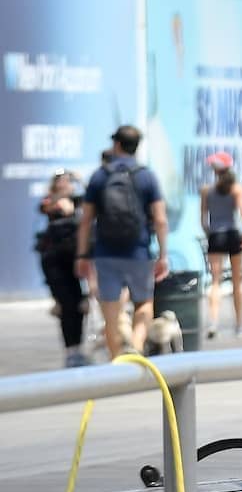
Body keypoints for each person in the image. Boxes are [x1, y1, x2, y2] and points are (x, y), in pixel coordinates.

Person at [77, 126, 168, 361]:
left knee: (110, 312)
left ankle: (117, 362)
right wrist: (163, 255)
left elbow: (86, 220)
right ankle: (136, 349)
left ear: (117, 145)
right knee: (144, 303)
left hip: (106, 253)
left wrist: (82, 255)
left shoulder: (100, 176)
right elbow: (159, 219)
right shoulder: (146, 176)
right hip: (138, 252)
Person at [37, 172, 87, 367]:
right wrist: (59, 197)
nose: (65, 183)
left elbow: (91, 195)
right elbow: (45, 207)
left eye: (67, 180)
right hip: (54, 260)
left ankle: (78, 349)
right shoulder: (50, 201)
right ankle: (70, 351)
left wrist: (77, 179)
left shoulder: (77, 199)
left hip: (73, 258)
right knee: (66, 306)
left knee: (79, 305)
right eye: (61, 180)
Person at [203, 153, 242, 337]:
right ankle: (239, 326)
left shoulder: (207, 190)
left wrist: (209, 232)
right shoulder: (236, 188)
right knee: (237, 281)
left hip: (216, 235)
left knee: (215, 281)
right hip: (233, 234)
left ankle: (213, 323)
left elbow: (203, 218)